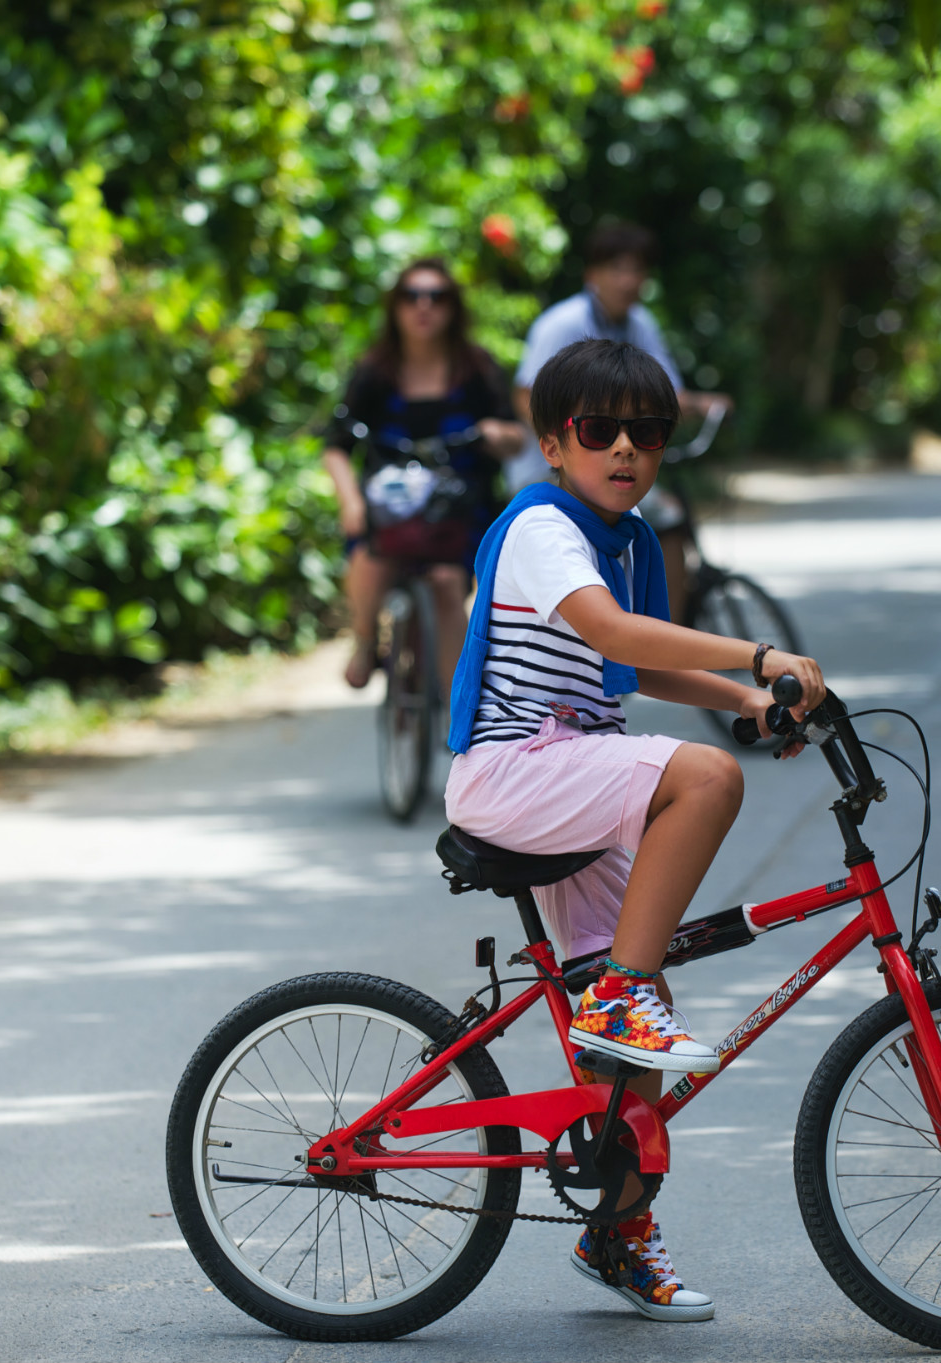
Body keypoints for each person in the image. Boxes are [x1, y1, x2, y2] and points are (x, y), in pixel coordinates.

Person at [442, 338, 827, 1323]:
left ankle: (614, 1234)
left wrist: (749, 698)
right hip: (512, 772)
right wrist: (759, 648)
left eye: (644, 432)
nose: (623, 448)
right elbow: (614, 634)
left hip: (570, 774)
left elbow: (632, 671)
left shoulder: (628, 538)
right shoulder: (540, 525)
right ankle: (613, 990)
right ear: (550, 443)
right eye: (597, 430)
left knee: (630, 1054)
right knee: (698, 777)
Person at [320, 260, 527, 695]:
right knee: (369, 557)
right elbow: (337, 445)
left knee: (447, 582)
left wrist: (497, 435)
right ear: (395, 307)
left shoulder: (476, 369)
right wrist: (350, 503)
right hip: (388, 508)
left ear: (453, 308)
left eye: (437, 297)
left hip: (459, 509)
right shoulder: (375, 372)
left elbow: (517, 437)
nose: (424, 306)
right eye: (412, 295)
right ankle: (363, 643)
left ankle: (461, 715)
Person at [508, 223, 731, 616]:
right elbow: (526, 395)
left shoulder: (640, 323)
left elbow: (666, 394)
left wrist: (701, 404)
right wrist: (570, 449)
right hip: (550, 468)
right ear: (591, 274)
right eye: (617, 269)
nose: (628, 281)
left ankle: (666, 634)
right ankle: (656, 645)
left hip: (596, 455)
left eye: (637, 271)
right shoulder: (563, 323)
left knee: (668, 521)